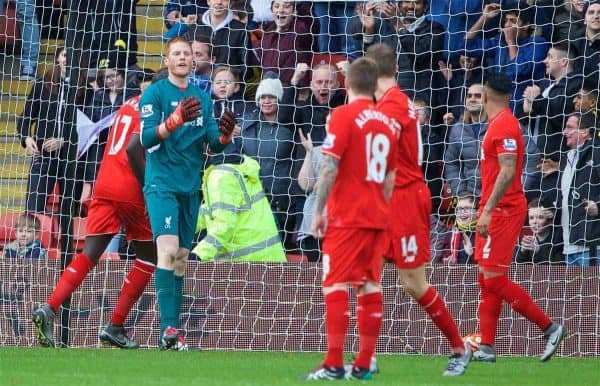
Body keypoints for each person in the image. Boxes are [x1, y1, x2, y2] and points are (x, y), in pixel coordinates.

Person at [32, 71, 160, 349]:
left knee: (89, 254)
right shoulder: (157, 107)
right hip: (131, 185)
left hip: (104, 182)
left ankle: (50, 307)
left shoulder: (129, 103)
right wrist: (150, 190)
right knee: (150, 256)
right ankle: (115, 325)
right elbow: (134, 147)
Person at [366, 43, 471, 377]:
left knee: (413, 283)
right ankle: (366, 356)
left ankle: (459, 347)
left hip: (405, 199)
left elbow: (382, 153)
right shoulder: (388, 103)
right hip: (388, 197)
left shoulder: (394, 106)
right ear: (394, 70)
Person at [304, 57, 398, 381]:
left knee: (335, 284)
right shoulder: (387, 122)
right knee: (370, 285)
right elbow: (390, 177)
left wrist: (318, 211)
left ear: (346, 85)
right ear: (374, 86)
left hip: (348, 217)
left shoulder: (342, 115)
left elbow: (329, 166)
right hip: (377, 217)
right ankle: (363, 363)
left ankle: (332, 363)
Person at [139, 36, 235, 349]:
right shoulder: (155, 93)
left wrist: (224, 136)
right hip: (161, 183)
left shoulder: (202, 98)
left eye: (187, 54)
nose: (182, 58)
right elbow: (146, 139)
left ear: (194, 62)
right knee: (167, 250)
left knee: (181, 257)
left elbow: (212, 142)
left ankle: (174, 331)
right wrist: (174, 120)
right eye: (176, 53)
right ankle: (167, 329)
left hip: (190, 186)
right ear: (167, 60)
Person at [472, 71, 565, 363]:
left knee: (495, 279)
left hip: (501, 210)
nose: (474, 99)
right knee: (486, 279)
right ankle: (486, 345)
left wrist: (487, 210)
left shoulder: (505, 126)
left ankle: (549, 327)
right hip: (492, 207)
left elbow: (509, 170)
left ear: (487, 96)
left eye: (477, 95)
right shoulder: (498, 123)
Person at [192, 144, 286, 262]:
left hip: (249, 265)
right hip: (267, 258)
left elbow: (223, 225)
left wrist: (197, 256)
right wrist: (181, 226)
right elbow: (213, 210)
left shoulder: (221, 175)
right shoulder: (239, 165)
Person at [557, 112, 600, 266]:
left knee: (592, 290)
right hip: (569, 245)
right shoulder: (566, 158)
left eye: (569, 127)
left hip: (593, 244)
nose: (564, 132)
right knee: (575, 291)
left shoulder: (597, 152)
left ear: (585, 131)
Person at [444, 83, 488, 197]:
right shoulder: (458, 129)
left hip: (497, 194)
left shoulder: (499, 124)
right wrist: (461, 191)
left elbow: (531, 154)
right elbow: (451, 162)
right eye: (469, 96)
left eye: (478, 96)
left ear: (487, 100)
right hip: (469, 195)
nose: (472, 99)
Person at [516, 198, 563, 264]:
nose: (534, 222)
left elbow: (559, 269)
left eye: (540, 217)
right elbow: (517, 271)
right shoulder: (525, 241)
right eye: (531, 218)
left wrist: (538, 250)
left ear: (549, 220)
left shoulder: (558, 239)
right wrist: (522, 252)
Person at [445, 193, 478, 264]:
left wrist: (472, 254)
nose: (462, 212)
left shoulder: (483, 233)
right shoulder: (450, 234)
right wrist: (448, 261)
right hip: (456, 274)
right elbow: (444, 258)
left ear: (477, 211)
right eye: (459, 209)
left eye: (467, 208)